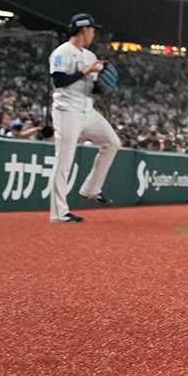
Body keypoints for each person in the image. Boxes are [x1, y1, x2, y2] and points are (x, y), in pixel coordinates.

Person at [48, 13, 122, 223]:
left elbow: (93, 88)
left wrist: (102, 83)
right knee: (64, 161)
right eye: (91, 29)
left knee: (112, 142)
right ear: (82, 29)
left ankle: (91, 188)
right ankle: (59, 213)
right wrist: (85, 71)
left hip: (87, 110)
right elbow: (59, 81)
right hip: (67, 111)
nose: (93, 33)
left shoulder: (90, 56)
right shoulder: (61, 52)